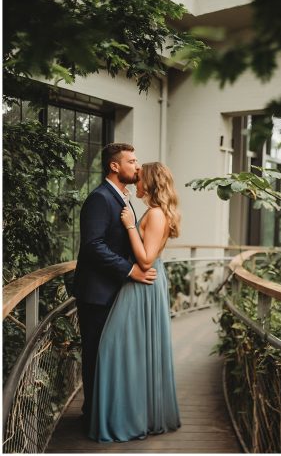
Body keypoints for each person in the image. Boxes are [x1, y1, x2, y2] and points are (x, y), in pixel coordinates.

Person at [89, 162, 182, 442]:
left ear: (150, 183)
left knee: (111, 347)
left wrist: (130, 226)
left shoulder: (154, 214)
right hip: (143, 281)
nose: (135, 182)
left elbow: (145, 259)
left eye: (139, 178)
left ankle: (126, 418)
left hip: (143, 282)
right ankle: (131, 414)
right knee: (132, 350)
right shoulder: (154, 211)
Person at [71, 143, 157, 421]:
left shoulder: (122, 197)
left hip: (115, 292)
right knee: (96, 356)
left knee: (111, 357)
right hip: (97, 294)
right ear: (114, 166)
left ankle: (107, 413)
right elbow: (93, 246)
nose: (137, 166)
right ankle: (93, 417)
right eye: (132, 161)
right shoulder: (100, 198)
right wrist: (130, 270)